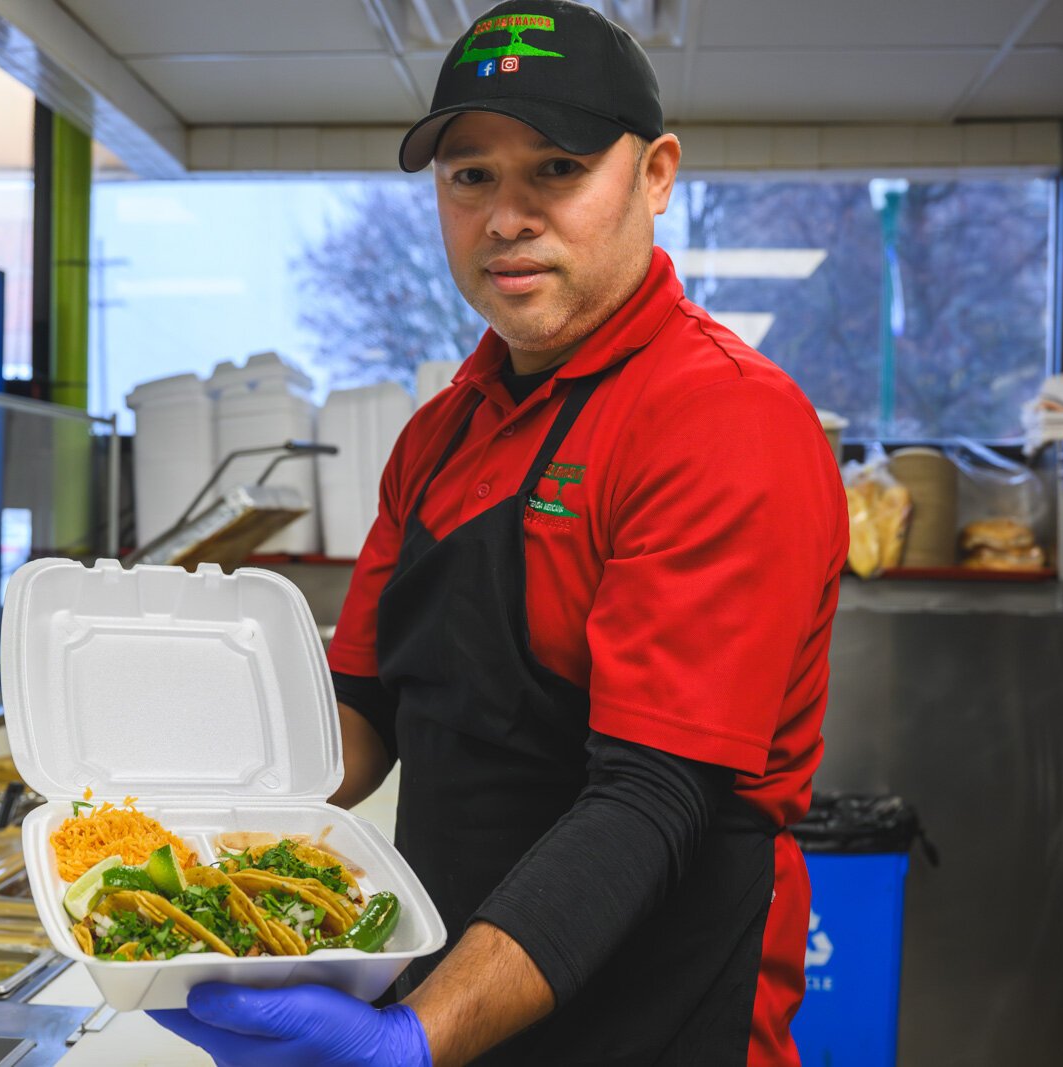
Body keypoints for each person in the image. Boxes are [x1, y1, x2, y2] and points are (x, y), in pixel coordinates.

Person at [152, 2, 848, 1064]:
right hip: (455, 987)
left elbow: (654, 794)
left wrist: (412, 1040)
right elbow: (366, 705)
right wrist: (180, 832)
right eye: (469, 175)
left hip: (655, 1014)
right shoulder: (441, 429)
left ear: (654, 175)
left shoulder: (721, 417)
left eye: (557, 167)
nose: (505, 216)